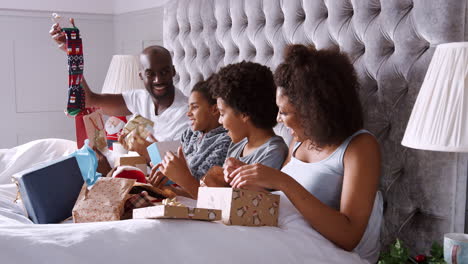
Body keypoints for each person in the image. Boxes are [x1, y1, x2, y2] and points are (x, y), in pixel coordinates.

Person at [224, 45, 383, 263]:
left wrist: (282, 181)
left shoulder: (360, 147)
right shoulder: (299, 140)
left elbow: (349, 236)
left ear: (314, 110)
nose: (279, 119)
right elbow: (285, 203)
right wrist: (249, 178)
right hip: (284, 239)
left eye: (285, 112)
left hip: (328, 253)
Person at [49, 19, 189, 155]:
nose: (158, 80)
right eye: (150, 74)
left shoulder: (187, 114)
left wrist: (145, 150)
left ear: (173, 71)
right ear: (141, 76)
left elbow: (181, 166)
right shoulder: (140, 98)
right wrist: (72, 52)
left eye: (164, 72)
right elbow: (89, 100)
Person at [151, 61, 289, 198]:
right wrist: (166, 189)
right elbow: (211, 196)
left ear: (244, 113)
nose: (220, 121)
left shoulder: (272, 152)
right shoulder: (238, 146)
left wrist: (185, 178)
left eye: (222, 114)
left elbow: (234, 207)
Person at [148, 78, 231, 189]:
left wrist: (175, 175)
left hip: (201, 199)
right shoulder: (190, 134)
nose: (188, 113)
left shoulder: (225, 142)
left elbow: (204, 188)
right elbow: (179, 170)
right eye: (189, 107)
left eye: (195, 107)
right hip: (178, 193)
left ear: (215, 109)